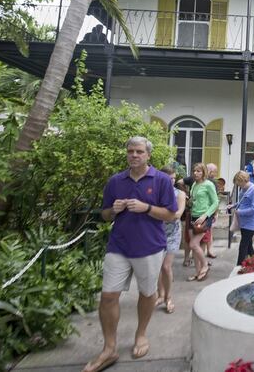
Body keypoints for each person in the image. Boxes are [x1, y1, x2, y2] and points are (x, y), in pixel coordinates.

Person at [82, 137, 177, 372]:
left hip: (150, 247)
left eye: (139, 152)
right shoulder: (116, 181)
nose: (134, 155)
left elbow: (170, 215)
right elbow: (104, 215)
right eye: (130, 151)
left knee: (146, 294)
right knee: (108, 296)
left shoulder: (162, 180)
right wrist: (112, 211)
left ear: (148, 155)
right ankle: (109, 348)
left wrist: (146, 208)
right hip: (118, 246)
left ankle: (141, 334)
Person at [157, 166, 187, 314]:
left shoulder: (179, 193)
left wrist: (155, 212)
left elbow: (178, 214)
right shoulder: (155, 193)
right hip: (155, 233)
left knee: (166, 267)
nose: (171, 181)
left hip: (172, 233)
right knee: (156, 267)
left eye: (173, 178)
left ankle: (168, 297)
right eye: (168, 178)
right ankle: (160, 295)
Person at [185, 163, 219, 282]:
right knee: (195, 247)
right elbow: (194, 200)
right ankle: (198, 272)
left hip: (204, 217)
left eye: (199, 171)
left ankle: (205, 265)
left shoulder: (208, 184)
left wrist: (205, 215)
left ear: (204, 172)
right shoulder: (194, 184)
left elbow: (215, 202)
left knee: (193, 244)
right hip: (193, 216)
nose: (196, 173)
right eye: (194, 171)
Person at [228, 171, 254, 265]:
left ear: (242, 180)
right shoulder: (243, 189)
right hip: (244, 222)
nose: (237, 185)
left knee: (243, 245)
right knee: (248, 245)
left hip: (251, 223)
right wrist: (234, 206)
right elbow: (242, 202)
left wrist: (239, 212)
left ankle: (239, 266)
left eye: (237, 183)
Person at [201, 163, 219, 260]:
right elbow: (215, 199)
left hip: (204, 210)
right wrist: (216, 212)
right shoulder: (212, 182)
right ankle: (206, 253)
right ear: (210, 171)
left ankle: (208, 251)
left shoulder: (201, 181)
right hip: (208, 211)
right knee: (207, 232)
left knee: (207, 231)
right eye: (215, 171)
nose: (216, 174)